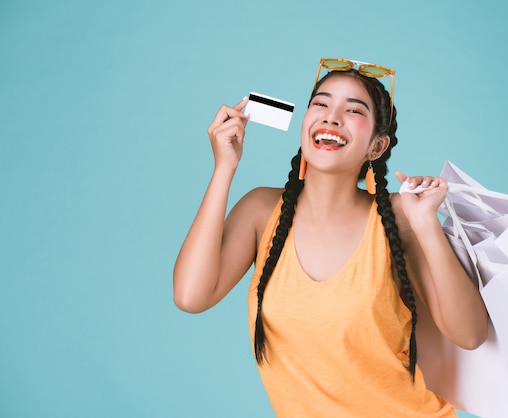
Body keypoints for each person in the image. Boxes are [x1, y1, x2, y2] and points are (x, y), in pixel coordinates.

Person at [173, 58, 489, 417]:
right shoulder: (261, 210)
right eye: (321, 104)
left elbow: (470, 335)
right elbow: (190, 296)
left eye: (353, 110)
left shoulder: (399, 218)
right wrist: (224, 169)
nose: (331, 117)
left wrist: (426, 224)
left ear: (376, 146)